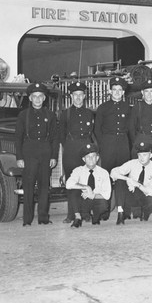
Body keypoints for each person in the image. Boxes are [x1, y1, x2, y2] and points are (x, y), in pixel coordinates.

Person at [15, 82, 59, 226]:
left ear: (44, 98)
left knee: (44, 187)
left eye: (40, 96)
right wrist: (19, 157)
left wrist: (53, 156)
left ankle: (43, 218)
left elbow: (54, 138)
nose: (38, 99)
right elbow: (18, 138)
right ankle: (27, 220)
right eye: (35, 96)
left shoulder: (50, 115)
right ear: (30, 98)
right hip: (29, 152)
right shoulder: (23, 115)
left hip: (45, 152)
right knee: (28, 187)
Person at [59, 81, 95, 224]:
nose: (78, 98)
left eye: (81, 95)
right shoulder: (65, 114)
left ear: (85, 96)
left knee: (86, 181)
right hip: (71, 150)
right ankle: (71, 214)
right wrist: (69, 147)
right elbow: (61, 135)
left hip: (86, 151)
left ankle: (85, 213)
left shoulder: (90, 113)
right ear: (71, 96)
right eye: (75, 95)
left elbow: (92, 133)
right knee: (72, 182)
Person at [110, 141, 152, 225]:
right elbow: (113, 172)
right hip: (130, 194)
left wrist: (137, 184)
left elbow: (150, 191)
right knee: (119, 182)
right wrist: (128, 180)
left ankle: (144, 213)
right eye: (139, 155)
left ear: (150, 155)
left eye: (144, 155)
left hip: (143, 195)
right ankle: (120, 214)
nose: (141, 158)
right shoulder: (133, 163)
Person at [65, 143, 111, 227]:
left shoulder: (104, 172)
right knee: (73, 190)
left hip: (96, 201)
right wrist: (86, 187)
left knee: (103, 204)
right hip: (83, 201)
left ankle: (95, 217)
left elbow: (107, 195)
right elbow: (68, 184)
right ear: (83, 159)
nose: (90, 159)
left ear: (97, 158)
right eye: (87, 157)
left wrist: (92, 195)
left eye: (93, 156)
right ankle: (78, 218)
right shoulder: (78, 170)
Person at [94, 76, 131, 171]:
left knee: (123, 171)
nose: (117, 92)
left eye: (120, 90)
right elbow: (97, 129)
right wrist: (102, 144)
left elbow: (131, 128)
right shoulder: (103, 108)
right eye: (114, 89)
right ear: (110, 91)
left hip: (123, 144)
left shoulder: (128, 108)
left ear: (123, 92)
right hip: (107, 144)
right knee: (107, 172)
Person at [129, 79, 152, 165]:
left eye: (151, 91)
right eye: (146, 91)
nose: (149, 94)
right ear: (142, 92)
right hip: (141, 139)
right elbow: (131, 127)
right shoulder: (137, 107)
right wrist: (137, 140)